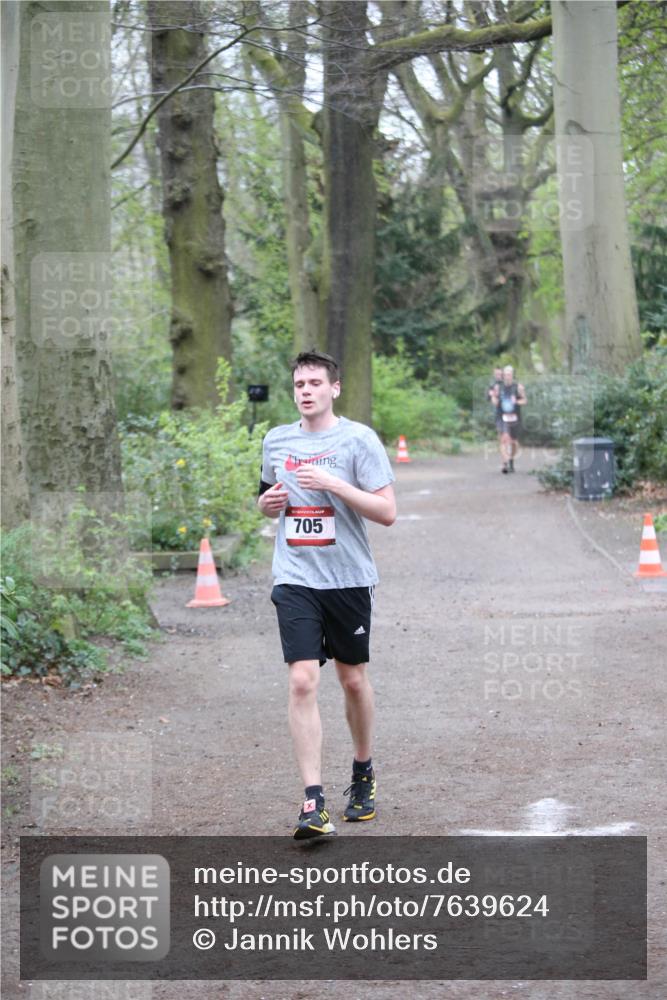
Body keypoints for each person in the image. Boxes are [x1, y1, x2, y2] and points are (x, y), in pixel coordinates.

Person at [258, 350, 396, 839]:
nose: (306, 391)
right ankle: (312, 801)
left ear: (334, 388)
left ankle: (363, 772)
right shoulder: (276, 440)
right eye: (299, 384)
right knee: (301, 681)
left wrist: (335, 484)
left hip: (348, 579)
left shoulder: (358, 439)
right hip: (295, 577)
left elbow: (386, 512)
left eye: (315, 382)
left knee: (353, 681)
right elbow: (267, 500)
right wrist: (265, 503)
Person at [491, 365, 527, 473]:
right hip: (501, 416)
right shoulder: (498, 387)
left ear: (512, 375)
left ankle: (511, 459)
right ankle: (505, 463)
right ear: (503, 375)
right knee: (504, 438)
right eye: (505, 374)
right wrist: (494, 397)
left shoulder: (518, 387)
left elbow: (525, 401)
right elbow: (495, 401)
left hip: (515, 417)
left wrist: (516, 401)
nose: (507, 376)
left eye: (509, 374)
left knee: (514, 442)